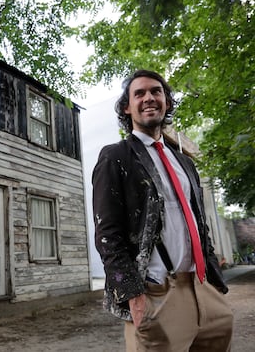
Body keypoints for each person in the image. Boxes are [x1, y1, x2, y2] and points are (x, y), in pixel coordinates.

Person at [92, 69, 233, 351]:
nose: (149, 98)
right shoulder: (116, 156)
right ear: (126, 107)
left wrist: (215, 282)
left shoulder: (184, 162)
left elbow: (198, 222)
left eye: (156, 91)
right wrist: (132, 294)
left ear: (166, 101)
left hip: (204, 290)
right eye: (139, 93)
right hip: (157, 292)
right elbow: (107, 233)